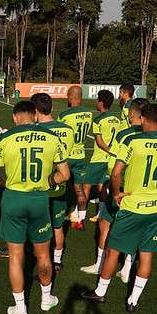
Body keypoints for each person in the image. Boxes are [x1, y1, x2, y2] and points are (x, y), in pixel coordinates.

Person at [81, 104, 157, 312]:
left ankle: (100, 292)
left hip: (133, 205)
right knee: (146, 255)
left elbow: (116, 173)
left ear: (142, 119)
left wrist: (116, 194)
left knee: (113, 251)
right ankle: (133, 299)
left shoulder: (131, 139)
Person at [0, 101, 70, 314]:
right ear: (34, 115)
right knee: (43, 254)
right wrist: (48, 181)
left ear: (15, 117)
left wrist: (7, 181)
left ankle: (20, 308)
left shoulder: (3, 139)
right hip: (39, 199)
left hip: (13, 198)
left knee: (15, 256)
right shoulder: (52, 137)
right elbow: (64, 174)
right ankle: (45, 299)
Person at [101, 97, 149, 283]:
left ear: (131, 114)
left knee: (106, 225)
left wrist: (114, 191)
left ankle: (101, 266)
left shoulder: (125, 135)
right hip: (144, 190)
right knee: (136, 231)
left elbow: (114, 167)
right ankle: (128, 267)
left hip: (123, 187)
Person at [31, 93, 74, 273]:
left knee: (37, 225)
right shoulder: (68, 129)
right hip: (61, 183)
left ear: (35, 111)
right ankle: (57, 260)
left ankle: (39, 258)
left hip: (40, 185)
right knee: (57, 224)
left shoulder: (36, 131)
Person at [82, 90, 121, 226]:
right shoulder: (117, 120)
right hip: (111, 160)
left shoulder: (98, 119)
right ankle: (101, 213)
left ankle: (80, 215)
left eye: (97, 100)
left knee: (86, 185)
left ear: (101, 103)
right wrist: (113, 153)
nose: (96, 102)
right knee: (102, 185)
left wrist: (109, 151)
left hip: (99, 158)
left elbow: (99, 142)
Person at [57, 86, 93, 229]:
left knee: (58, 186)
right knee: (79, 190)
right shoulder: (89, 114)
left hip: (67, 156)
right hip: (81, 155)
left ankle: (57, 216)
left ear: (71, 96)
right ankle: (80, 220)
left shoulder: (65, 115)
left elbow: (60, 135)